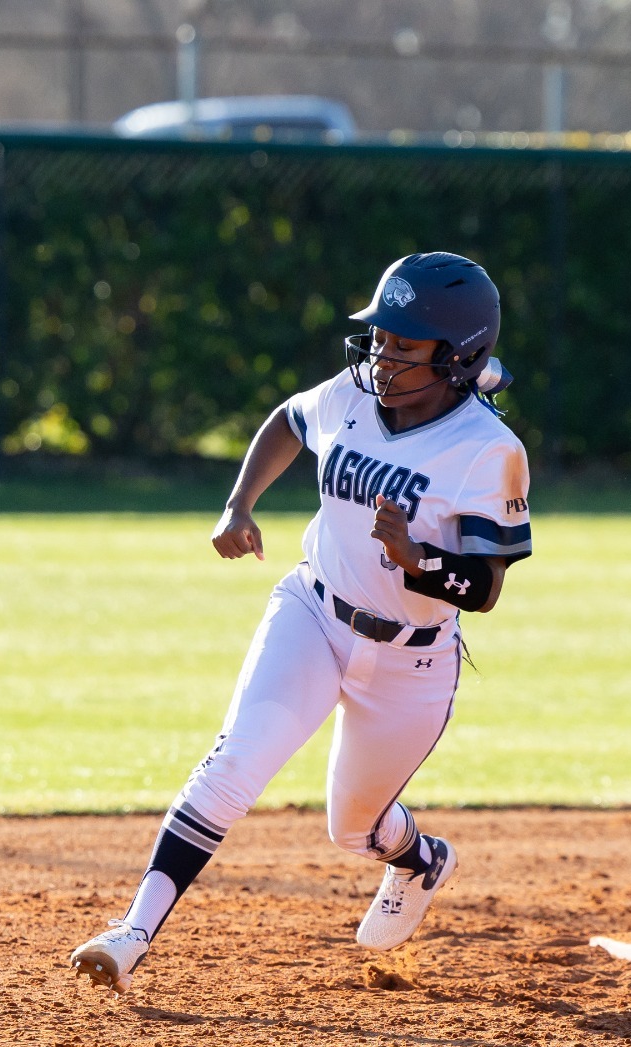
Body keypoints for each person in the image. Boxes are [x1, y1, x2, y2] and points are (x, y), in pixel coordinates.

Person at [68, 252, 532, 993]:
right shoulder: (352, 394)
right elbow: (289, 418)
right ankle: (132, 931)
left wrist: (417, 559)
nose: (381, 356)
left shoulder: (488, 450)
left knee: (353, 829)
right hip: (313, 613)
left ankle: (418, 860)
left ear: (457, 357)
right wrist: (239, 502)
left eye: (403, 344)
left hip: (411, 663)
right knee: (232, 766)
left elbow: (483, 588)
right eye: (379, 336)